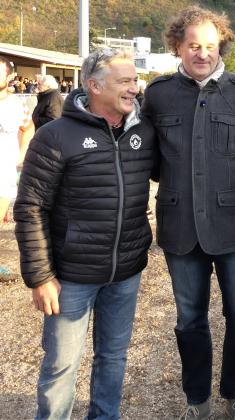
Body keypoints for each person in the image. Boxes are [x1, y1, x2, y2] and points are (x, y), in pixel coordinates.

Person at [141, 5, 235, 419]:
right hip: (181, 228)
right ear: (177, 47)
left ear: (221, 45)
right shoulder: (159, 93)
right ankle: (197, 401)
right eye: (192, 45)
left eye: (209, 45)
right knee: (189, 321)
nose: (201, 53)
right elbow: (148, 162)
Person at [13, 48, 156, 419]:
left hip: (125, 271)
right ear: (94, 86)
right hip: (71, 277)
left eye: (134, 80)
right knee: (62, 366)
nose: (134, 88)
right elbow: (29, 207)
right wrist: (40, 276)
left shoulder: (142, 132)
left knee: (113, 357)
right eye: (124, 81)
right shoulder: (55, 136)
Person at [0, 55, 32, 225]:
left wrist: (21, 155)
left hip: (3, 175)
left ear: (9, 77)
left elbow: (28, 128)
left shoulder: (17, 105)